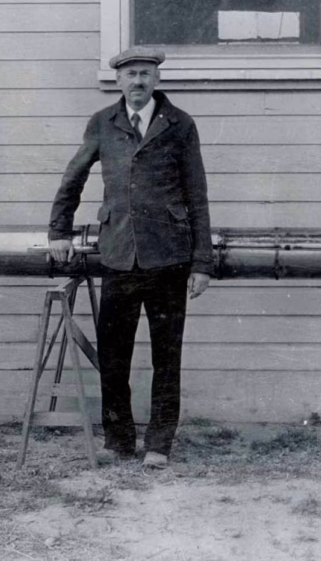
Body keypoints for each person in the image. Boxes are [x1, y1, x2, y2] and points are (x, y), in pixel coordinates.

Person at [48, 46, 212, 468]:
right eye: (130, 74)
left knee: (166, 358)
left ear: (156, 79)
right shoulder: (103, 123)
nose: (138, 81)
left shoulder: (180, 125)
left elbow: (197, 195)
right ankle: (118, 439)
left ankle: (159, 444)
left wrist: (201, 262)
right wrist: (59, 231)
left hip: (169, 258)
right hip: (118, 256)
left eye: (146, 73)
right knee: (114, 357)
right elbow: (73, 177)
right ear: (118, 80)